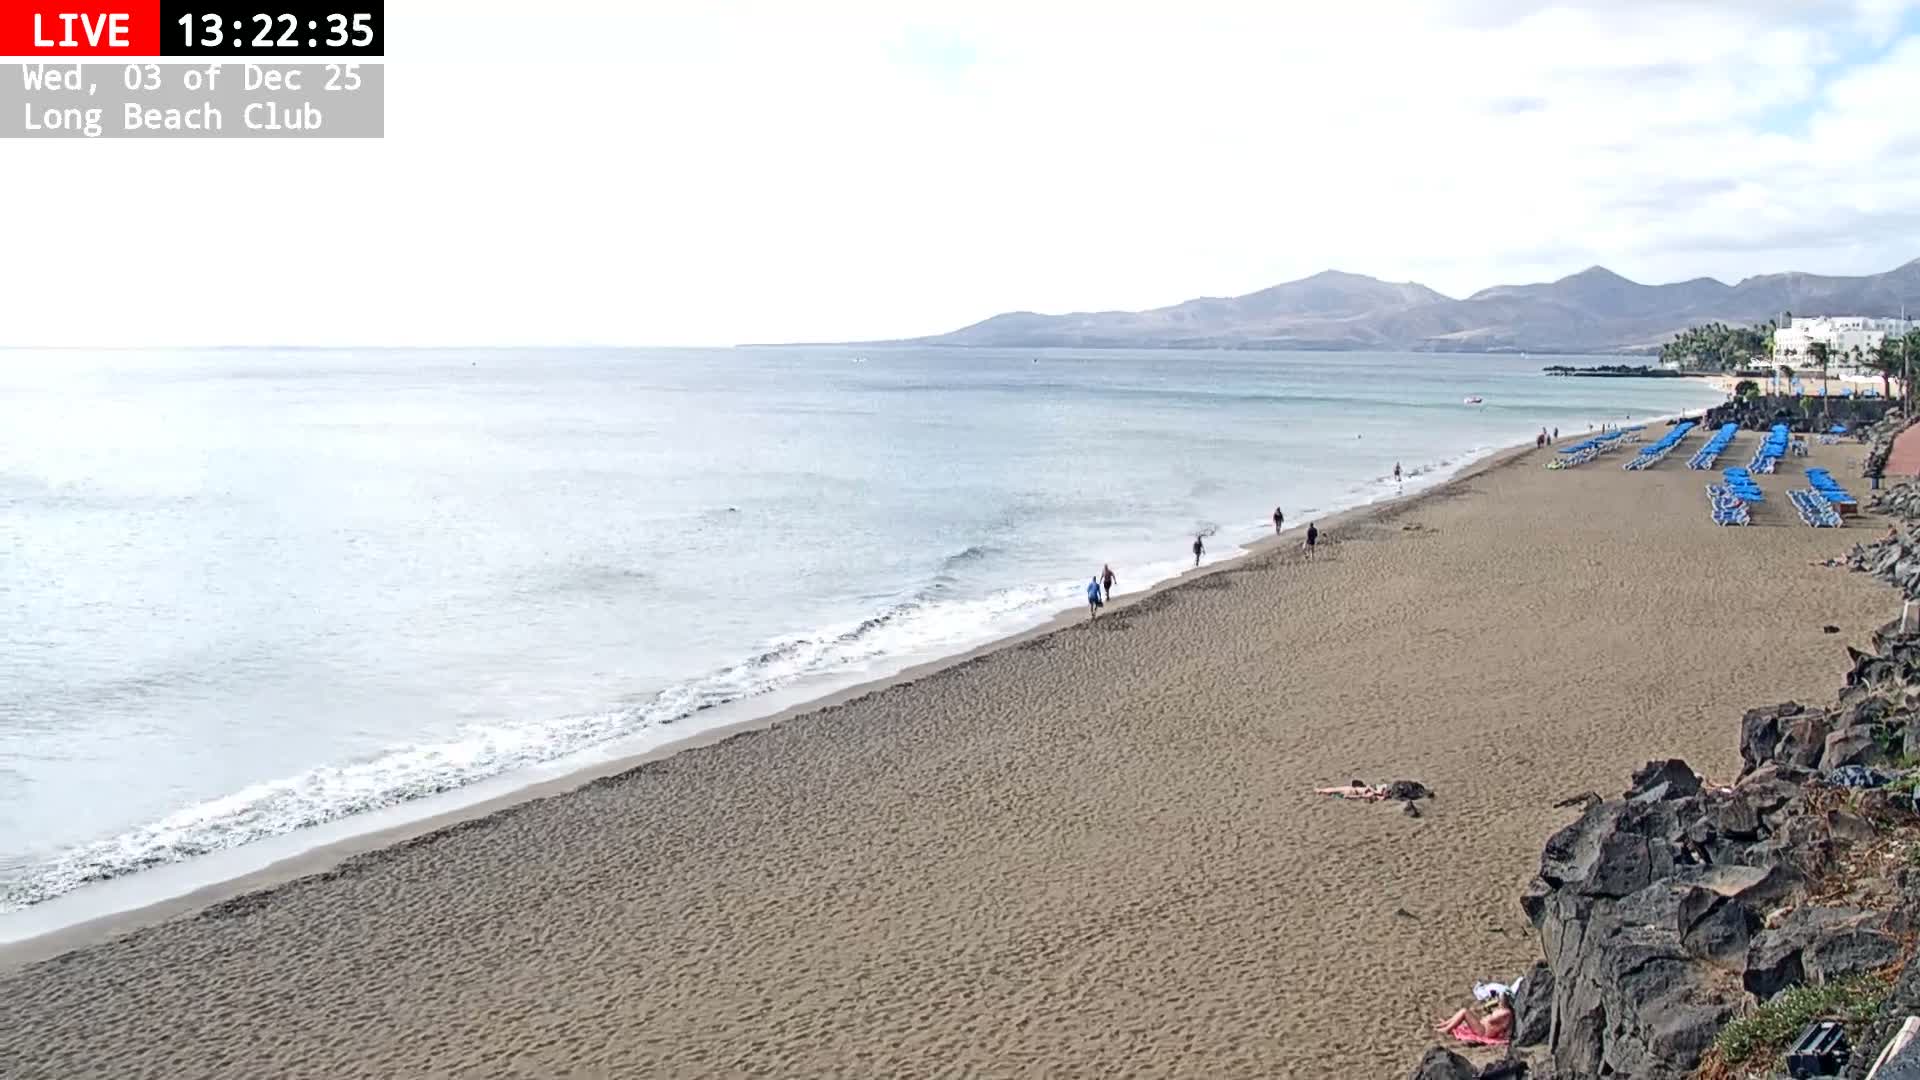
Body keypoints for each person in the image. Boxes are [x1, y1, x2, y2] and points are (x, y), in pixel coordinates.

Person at [1434, 991, 1513, 1045]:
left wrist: (1489, 1015)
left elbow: (1493, 1021)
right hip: (1483, 1027)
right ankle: (1446, 1024)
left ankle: (1447, 1029)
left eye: (1499, 999)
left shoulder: (1504, 1013)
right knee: (1466, 1011)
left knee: (1464, 1012)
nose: (1497, 1001)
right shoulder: (1502, 1010)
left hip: (1484, 1031)